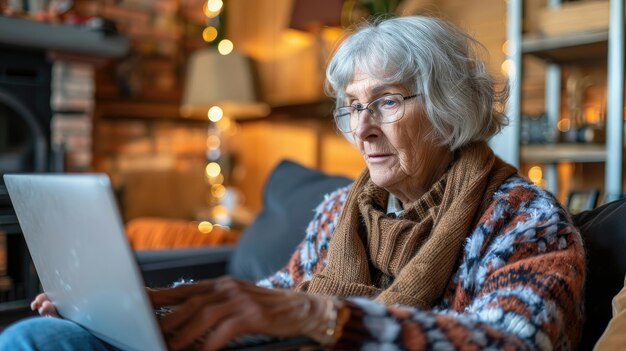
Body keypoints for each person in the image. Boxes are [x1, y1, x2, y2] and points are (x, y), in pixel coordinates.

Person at [0, 15, 585, 351]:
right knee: (37, 338)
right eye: (352, 107)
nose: (362, 129)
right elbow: (280, 291)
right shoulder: (342, 208)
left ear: (448, 107)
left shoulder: (522, 219)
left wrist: (327, 321)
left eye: (385, 102)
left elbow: (515, 342)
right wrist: (150, 303)